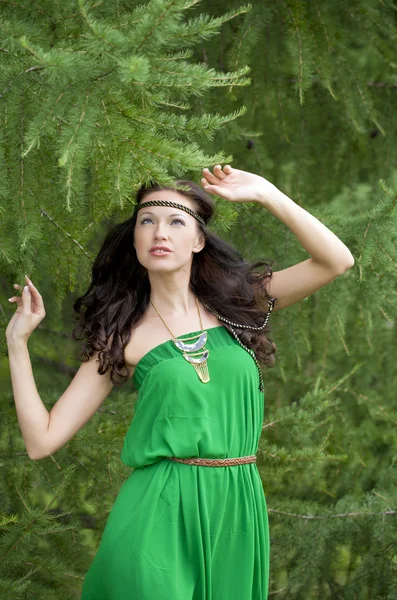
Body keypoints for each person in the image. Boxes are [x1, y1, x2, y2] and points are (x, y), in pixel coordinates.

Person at [6, 164, 354, 599]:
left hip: (236, 506)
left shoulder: (239, 304)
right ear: (134, 240)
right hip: (159, 509)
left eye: (175, 222)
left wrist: (267, 193)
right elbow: (42, 440)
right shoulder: (123, 336)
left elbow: (336, 261)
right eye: (146, 221)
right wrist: (17, 343)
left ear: (198, 241)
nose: (159, 233)